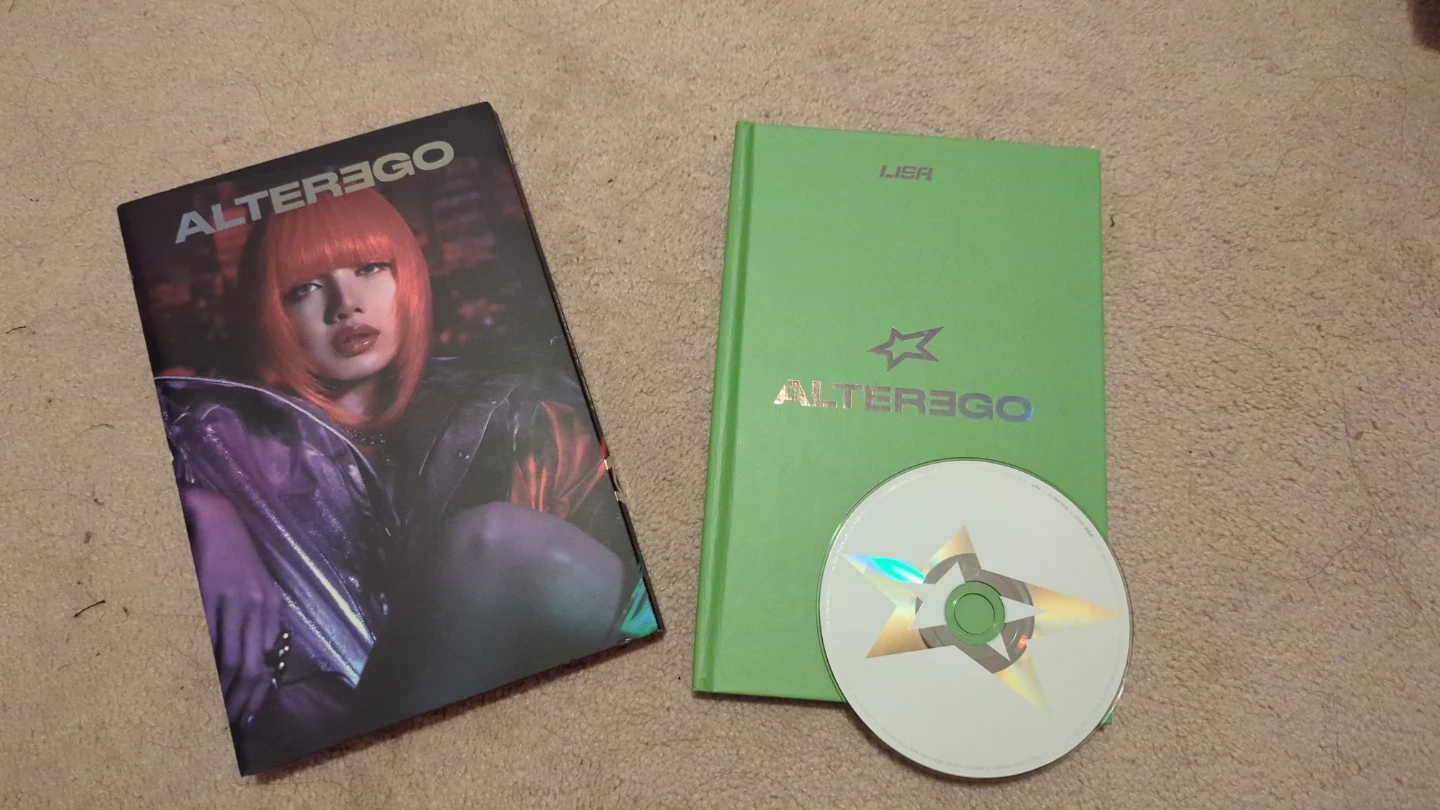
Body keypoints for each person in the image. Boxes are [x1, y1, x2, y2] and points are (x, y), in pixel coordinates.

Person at [157, 187, 650, 773]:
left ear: (407, 276)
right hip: (377, 747)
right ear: (269, 312)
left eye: (369, 268)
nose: (346, 305)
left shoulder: (520, 416)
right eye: (305, 288)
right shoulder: (220, 446)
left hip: (570, 691)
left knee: (492, 538)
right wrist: (201, 512)